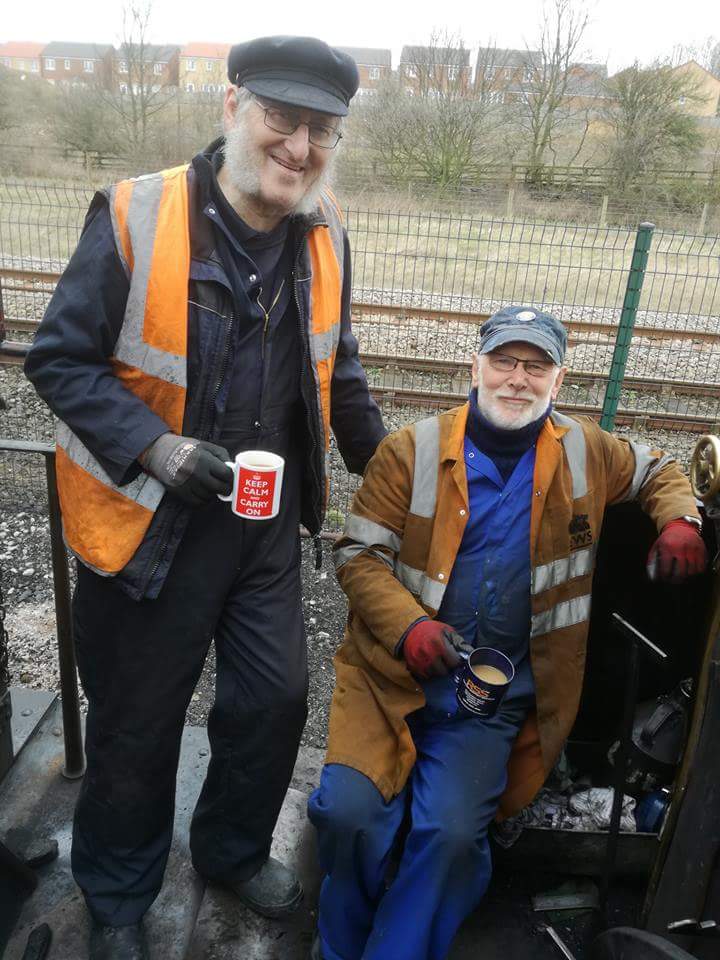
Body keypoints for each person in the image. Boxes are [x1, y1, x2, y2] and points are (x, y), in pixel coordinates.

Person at [24, 36, 385, 960]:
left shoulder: (326, 228)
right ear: (232, 108)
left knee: (273, 702)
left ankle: (227, 850)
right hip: (149, 524)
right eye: (282, 119)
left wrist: (394, 475)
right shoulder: (136, 214)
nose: (300, 147)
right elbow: (58, 360)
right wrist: (154, 445)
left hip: (261, 530)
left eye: (321, 130)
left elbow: (338, 374)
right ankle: (115, 895)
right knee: (139, 724)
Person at [308, 305, 707, 960]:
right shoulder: (409, 452)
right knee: (348, 816)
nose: (517, 378)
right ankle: (338, 946)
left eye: (536, 365)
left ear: (558, 380)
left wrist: (681, 520)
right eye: (504, 360)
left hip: (486, 706)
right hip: (390, 684)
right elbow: (357, 556)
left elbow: (659, 468)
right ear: (476, 366)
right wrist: (410, 629)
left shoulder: (585, 451)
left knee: (452, 837)